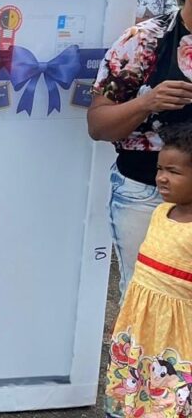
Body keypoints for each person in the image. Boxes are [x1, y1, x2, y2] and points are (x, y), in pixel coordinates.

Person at [88, 0, 192, 299]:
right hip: (147, 191)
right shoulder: (144, 41)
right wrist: (147, 101)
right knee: (145, 297)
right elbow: (98, 125)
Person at [103, 123, 192, 418]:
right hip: (142, 329)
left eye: (173, 172)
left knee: (170, 401)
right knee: (137, 390)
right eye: (160, 169)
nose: (161, 178)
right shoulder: (160, 212)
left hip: (179, 339)